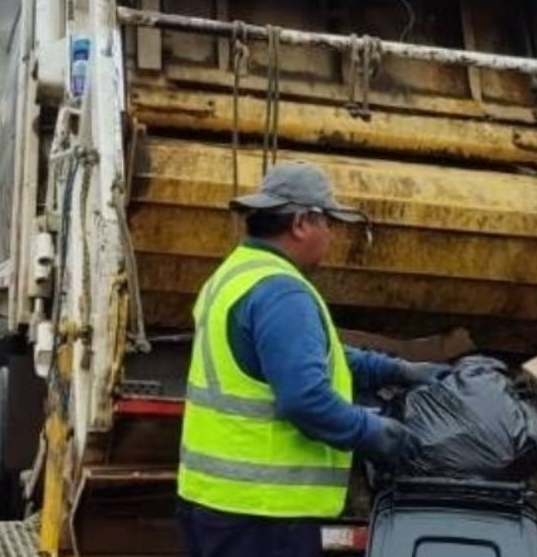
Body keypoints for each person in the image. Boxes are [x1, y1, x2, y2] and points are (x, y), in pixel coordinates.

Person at [177, 161, 448, 557]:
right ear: (302, 222)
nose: (332, 236)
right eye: (329, 223)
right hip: (263, 517)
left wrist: (397, 369)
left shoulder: (235, 275)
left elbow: (316, 356)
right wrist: (374, 433)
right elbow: (305, 399)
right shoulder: (282, 291)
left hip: (215, 502)